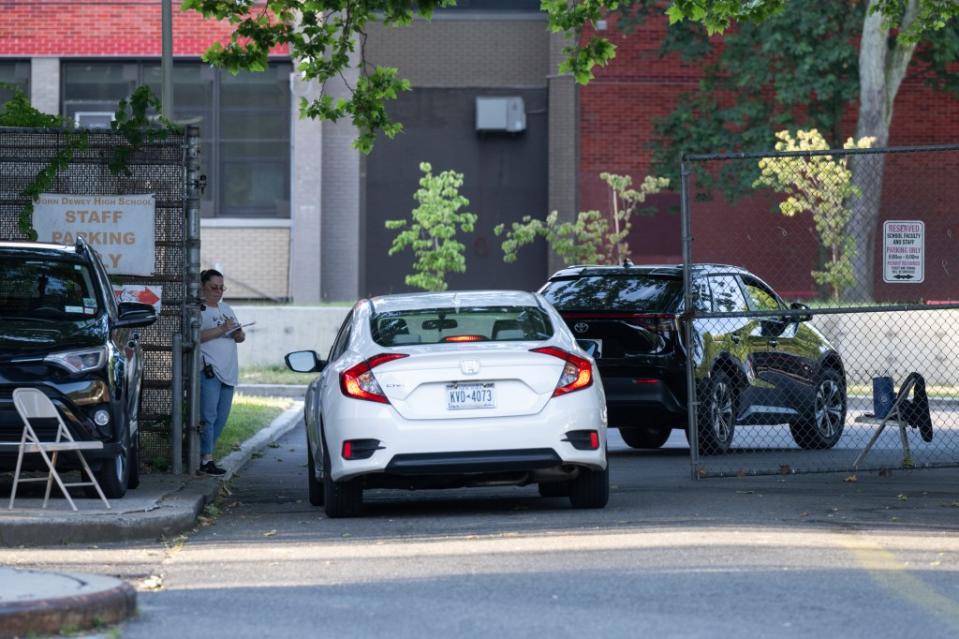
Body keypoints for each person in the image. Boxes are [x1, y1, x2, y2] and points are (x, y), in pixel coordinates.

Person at [198, 268, 246, 475]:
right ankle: (204, 458)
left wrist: (237, 333)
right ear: (203, 288)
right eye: (213, 288)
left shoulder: (226, 308)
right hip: (209, 370)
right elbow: (196, 337)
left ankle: (206, 454)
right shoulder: (199, 310)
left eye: (221, 288)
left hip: (229, 370)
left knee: (221, 417)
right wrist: (221, 329)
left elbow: (240, 336)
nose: (218, 292)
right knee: (208, 416)